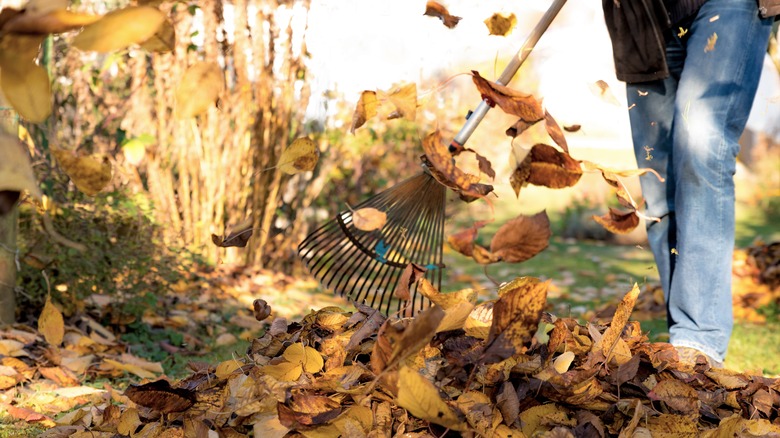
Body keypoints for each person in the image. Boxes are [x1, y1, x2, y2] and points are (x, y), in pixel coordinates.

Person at [602, 0, 778, 367]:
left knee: (703, 145)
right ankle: (682, 345)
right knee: (657, 185)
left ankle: (699, 340)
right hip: (640, 16)